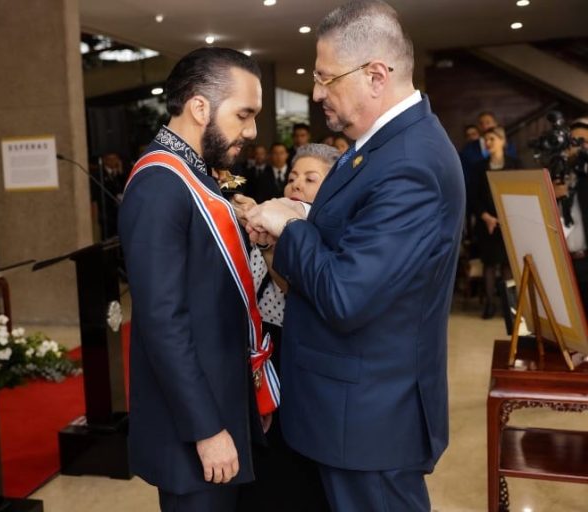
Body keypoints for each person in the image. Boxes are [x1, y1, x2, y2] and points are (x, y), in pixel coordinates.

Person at [244, 1, 464, 510]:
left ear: (375, 75)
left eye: (325, 78)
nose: (317, 92)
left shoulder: (410, 164)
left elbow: (347, 294)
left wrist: (290, 226)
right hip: (348, 409)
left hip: (369, 417)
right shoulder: (377, 148)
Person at [118, 47, 267, 512]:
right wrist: (206, 428)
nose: (252, 130)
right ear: (200, 107)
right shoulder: (159, 183)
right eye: (243, 114)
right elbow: (162, 322)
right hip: (196, 426)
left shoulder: (193, 171)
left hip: (221, 398)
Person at [234, 143, 339, 512]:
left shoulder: (323, 234)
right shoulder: (268, 218)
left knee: (289, 452)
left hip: (295, 349)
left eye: (311, 179)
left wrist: (269, 246)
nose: (296, 185)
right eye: (293, 176)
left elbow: (293, 287)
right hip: (261, 345)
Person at [470, 127, 521, 319]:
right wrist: (487, 217)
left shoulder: (515, 164)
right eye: (486, 140)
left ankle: (510, 308)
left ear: (502, 140)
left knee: (508, 265)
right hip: (487, 224)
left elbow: (521, 193)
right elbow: (473, 198)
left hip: (510, 223)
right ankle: (490, 304)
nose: (488, 143)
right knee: (489, 265)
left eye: (492, 139)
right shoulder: (478, 167)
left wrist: (509, 217)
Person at [554, 117, 588, 316]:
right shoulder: (557, 174)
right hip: (564, 264)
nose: (578, 147)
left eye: (583, 142)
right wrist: (553, 195)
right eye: (574, 142)